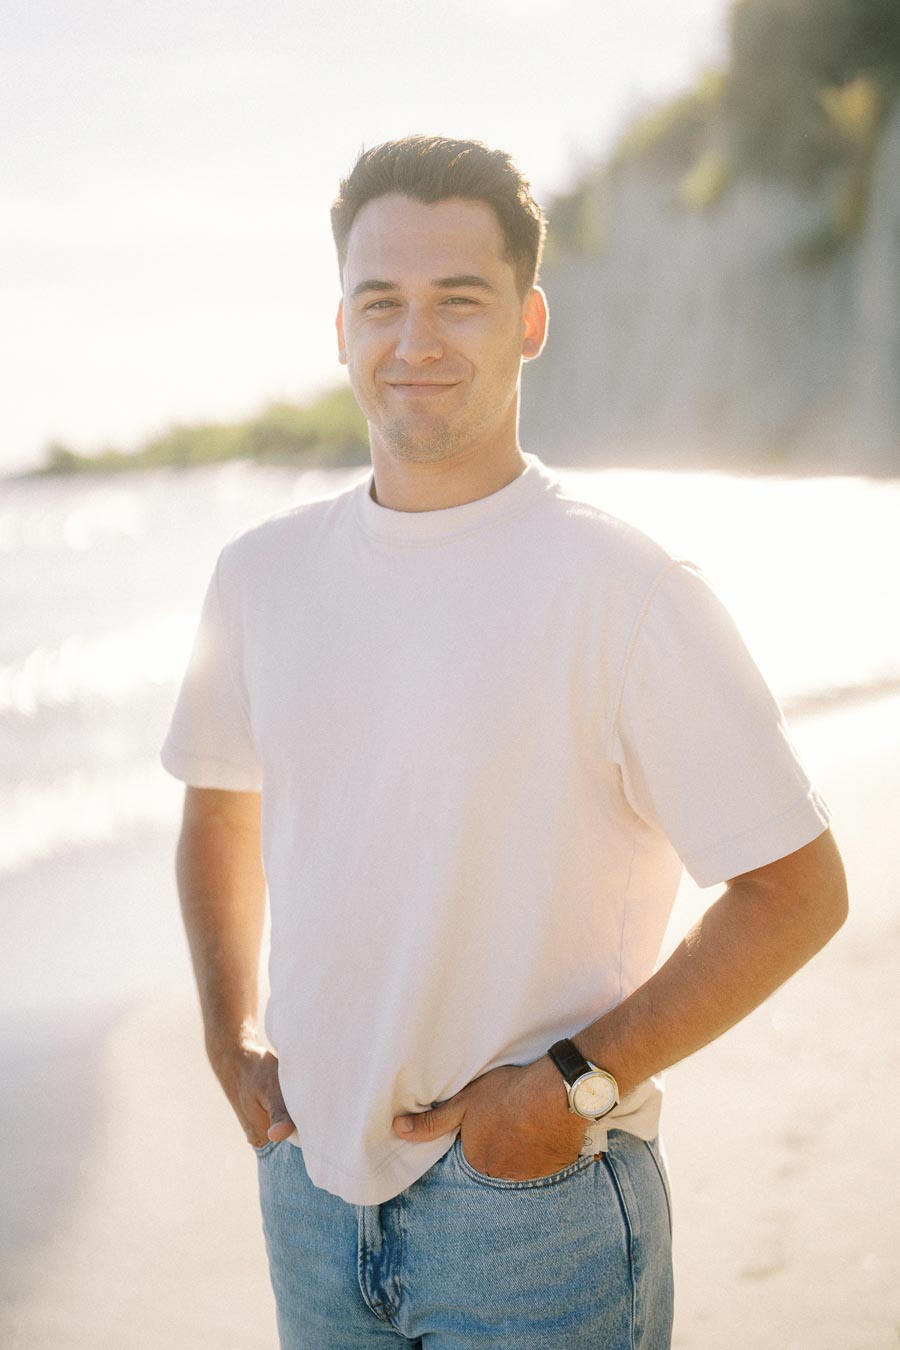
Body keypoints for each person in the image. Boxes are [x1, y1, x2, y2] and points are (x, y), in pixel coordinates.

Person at [162, 135, 848, 1348]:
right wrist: (232, 1044)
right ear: (338, 327)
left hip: (534, 1205)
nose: (415, 341)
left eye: (459, 301)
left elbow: (797, 889)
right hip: (311, 1194)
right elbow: (222, 805)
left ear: (530, 321)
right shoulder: (259, 579)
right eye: (382, 302)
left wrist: (567, 1091)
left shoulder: (626, 588)